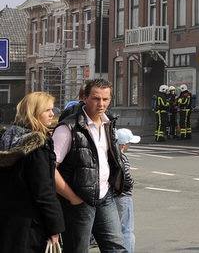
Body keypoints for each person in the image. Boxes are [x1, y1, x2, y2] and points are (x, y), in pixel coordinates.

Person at [53, 79, 126, 252]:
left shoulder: (109, 124)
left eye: (105, 99)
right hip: (79, 200)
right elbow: (49, 169)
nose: (101, 104)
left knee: (116, 247)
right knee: (77, 249)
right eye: (96, 98)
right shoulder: (68, 128)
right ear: (85, 98)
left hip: (104, 195)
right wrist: (72, 197)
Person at [0, 92, 65, 253]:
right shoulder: (37, 146)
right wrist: (55, 227)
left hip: (6, 218)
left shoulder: (7, 137)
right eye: (47, 110)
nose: (52, 114)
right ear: (34, 112)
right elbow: (43, 191)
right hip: (29, 224)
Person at [114, 128, 139, 253]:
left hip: (112, 195)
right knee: (127, 229)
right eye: (129, 143)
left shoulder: (110, 155)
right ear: (123, 145)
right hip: (123, 196)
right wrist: (131, 185)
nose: (129, 146)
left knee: (115, 229)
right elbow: (127, 178)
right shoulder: (122, 157)